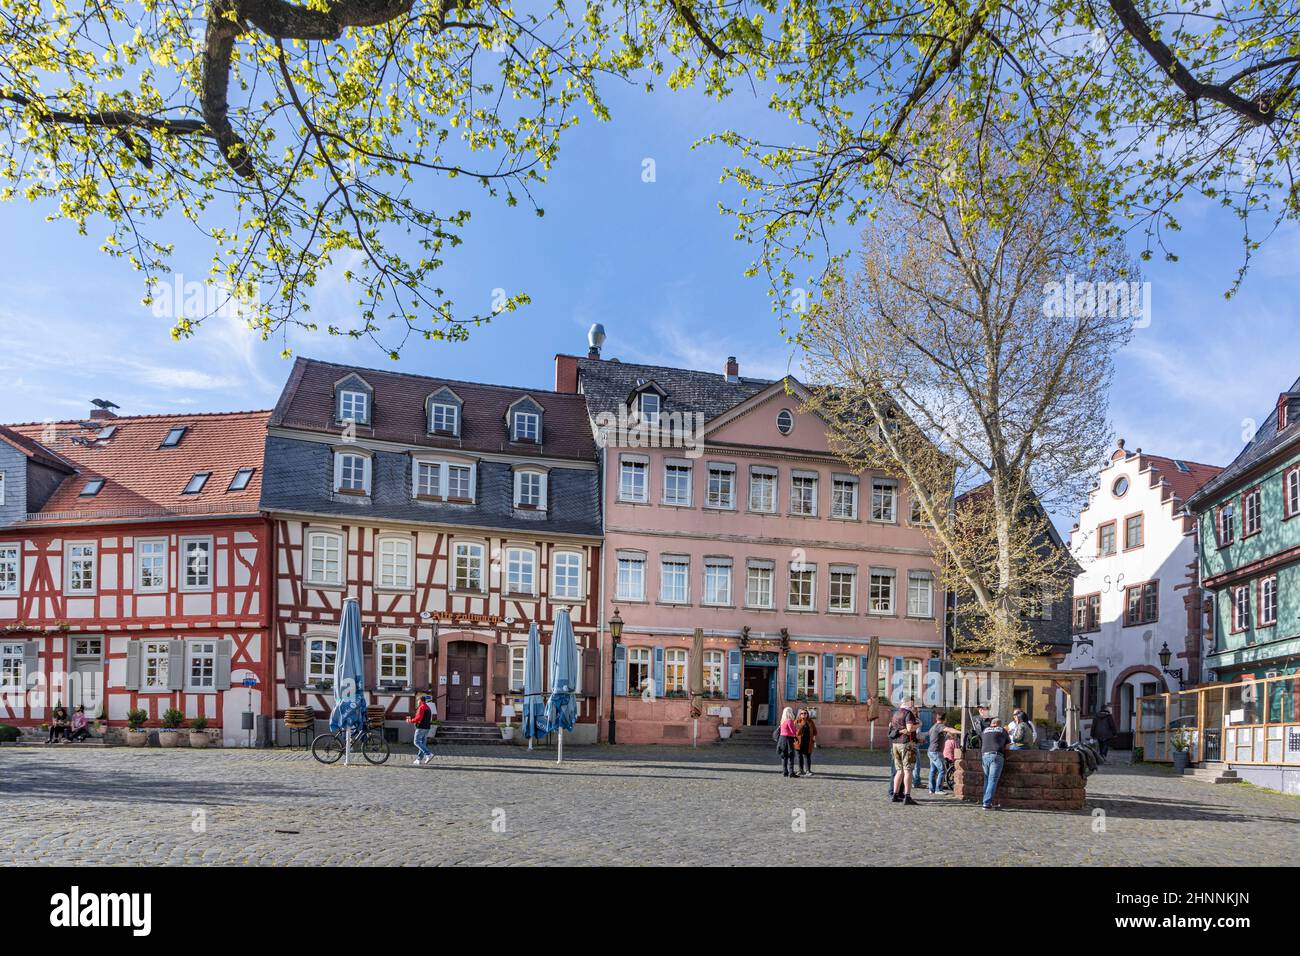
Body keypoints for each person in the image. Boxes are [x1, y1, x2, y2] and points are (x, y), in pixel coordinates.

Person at [889, 699, 922, 805]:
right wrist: (919, 725)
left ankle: (895, 794)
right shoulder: (908, 713)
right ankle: (907, 796)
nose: (913, 705)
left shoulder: (896, 713)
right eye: (912, 703)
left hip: (895, 744)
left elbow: (893, 728)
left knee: (899, 771)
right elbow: (909, 728)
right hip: (906, 744)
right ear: (908, 704)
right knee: (908, 770)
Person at [980, 717, 1011, 810]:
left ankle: (985, 801)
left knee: (987, 779)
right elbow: (1008, 745)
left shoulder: (985, 730)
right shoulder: (1002, 730)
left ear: (991, 724)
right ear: (999, 724)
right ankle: (987, 803)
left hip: (984, 755)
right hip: (996, 755)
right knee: (992, 780)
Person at [406, 693, 435, 765]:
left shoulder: (422, 707)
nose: (417, 702)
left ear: (421, 700)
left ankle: (428, 754)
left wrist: (410, 721)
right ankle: (419, 759)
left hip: (421, 727)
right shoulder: (427, 707)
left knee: (416, 742)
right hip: (427, 727)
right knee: (422, 744)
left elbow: (419, 718)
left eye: (418, 700)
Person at [926, 715, 950, 794]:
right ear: (945, 719)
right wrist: (961, 731)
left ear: (936, 718)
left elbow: (929, 734)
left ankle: (931, 789)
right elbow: (949, 729)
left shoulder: (933, 727)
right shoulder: (940, 726)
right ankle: (938, 789)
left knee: (933, 770)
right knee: (942, 770)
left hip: (931, 751)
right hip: (936, 752)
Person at [793, 708, 818, 776]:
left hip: (808, 742)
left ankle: (808, 770)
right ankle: (800, 770)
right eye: (802, 713)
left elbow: (815, 731)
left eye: (805, 713)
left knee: (807, 756)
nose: (804, 715)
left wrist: (814, 738)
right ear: (799, 715)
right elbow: (796, 733)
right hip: (798, 742)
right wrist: (802, 723)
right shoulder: (796, 721)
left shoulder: (810, 722)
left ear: (807, 714)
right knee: (799, 757)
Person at [777, 707, 798, 778]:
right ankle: (791, 772)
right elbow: (793, 732)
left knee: (784, 756)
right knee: (791, 756)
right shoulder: (789, 721)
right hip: (788, 740)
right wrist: (795, 728)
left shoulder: (782, 721)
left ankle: (785, 771)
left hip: (782, 739)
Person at [942, 726, 959, 790]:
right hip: (950, 758)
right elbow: (957, 750)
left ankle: (943, 781)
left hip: (945, 757)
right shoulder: (954, 742)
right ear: (954, 736)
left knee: (946, 770)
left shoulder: (946, 741)